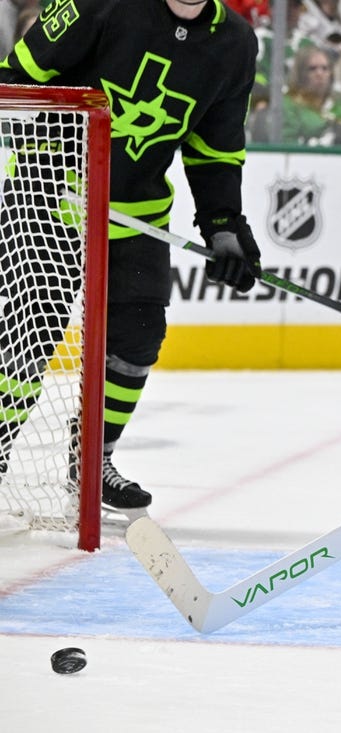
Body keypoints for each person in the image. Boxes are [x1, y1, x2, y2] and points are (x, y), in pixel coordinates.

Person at [0, 0, 262, 512]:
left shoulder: (235, 42)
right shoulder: (103, 3)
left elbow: (215, 148)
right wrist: (66, 138)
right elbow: (16, 79)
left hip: (136, 211)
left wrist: (224, 223)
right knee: (29, 336)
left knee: (139, 338)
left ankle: (93, 458)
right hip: (53, 193)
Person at [253, 45, 341, 147]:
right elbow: (286, 144)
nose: (319, 73)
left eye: (325, 68)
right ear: (300, 74)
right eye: (312, 69)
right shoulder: (288, 104)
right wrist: (328, 141)